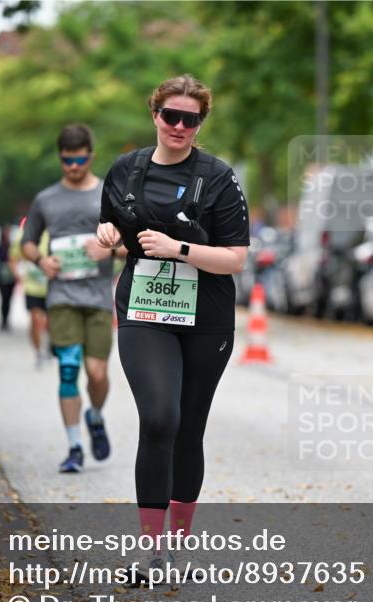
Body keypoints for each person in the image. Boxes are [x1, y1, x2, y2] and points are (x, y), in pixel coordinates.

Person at [96, 74, 249, 576]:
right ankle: (150, 549)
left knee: (188, 428)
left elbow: (235, 259)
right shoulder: (124, 170)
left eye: (191, 119)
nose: (180, 126)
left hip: (206, 316)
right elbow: (111, 232)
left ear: (201, 122)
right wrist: (107, 235)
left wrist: (180, 248)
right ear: (155, 114)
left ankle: (177, 545)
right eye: (171, 116)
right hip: (144, 311)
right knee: (159, 418)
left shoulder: (219, 177)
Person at [21, 124, 119, 473]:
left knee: (97, 372)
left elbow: (131, 242)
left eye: (80, 159)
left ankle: (95, 415)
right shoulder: (46, 199)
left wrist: (111, 251)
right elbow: (28, 240)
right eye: (67, 160)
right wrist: (40, 260)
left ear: (91, 155)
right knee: (68, 368)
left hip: (97, 298)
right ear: (60, 158)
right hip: (61, 295)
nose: (74, 166)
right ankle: (75, 447)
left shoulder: (110, 192)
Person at [10, 222, 52, 368]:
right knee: (35, 318)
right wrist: (18, 275)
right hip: (32, 286)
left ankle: (48, 346)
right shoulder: (24, 234)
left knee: (50, 322)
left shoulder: (54, 229)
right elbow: (14, 257)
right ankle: (38, 351)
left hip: (53, 285)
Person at [0, 224, 17, 332]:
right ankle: (3, 321)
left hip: (11, 275)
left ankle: (6, 320)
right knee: (4, 299)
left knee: (9, 299)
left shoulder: (12, 246)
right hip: (2, 275)